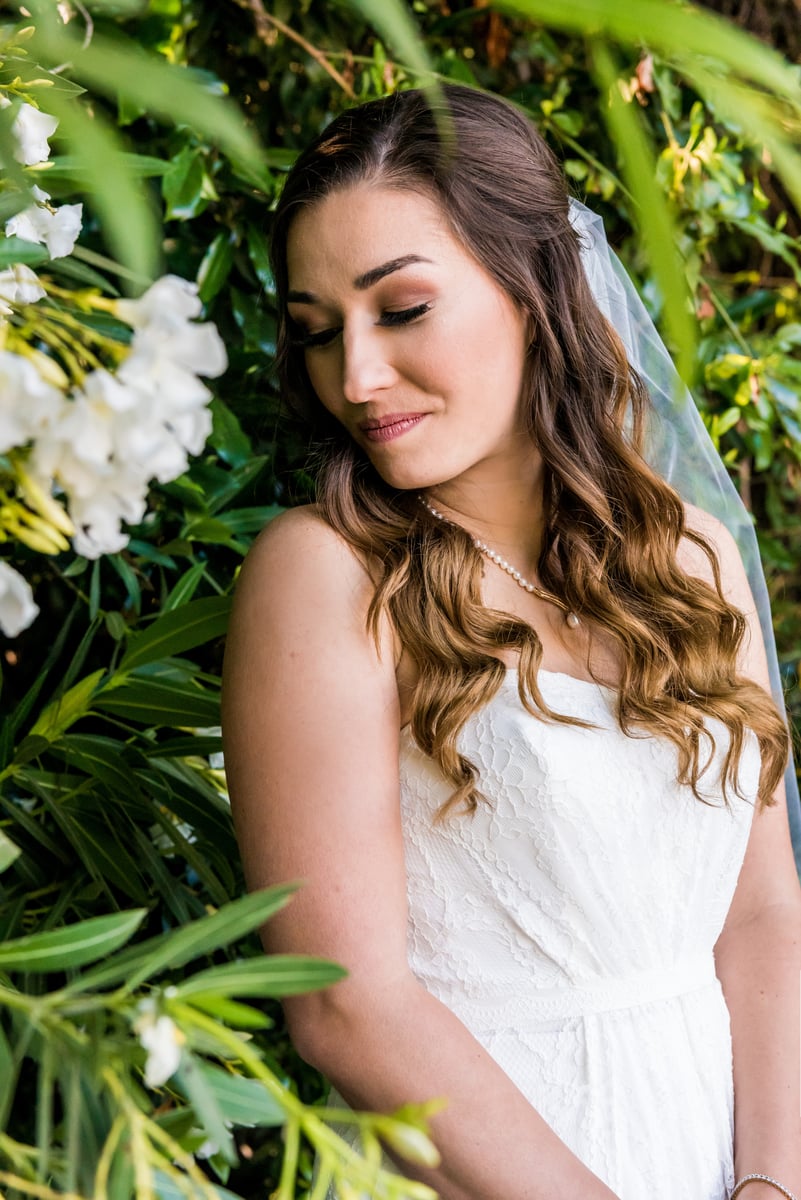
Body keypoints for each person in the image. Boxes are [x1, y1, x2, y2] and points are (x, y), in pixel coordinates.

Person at [221, 84, 801, 1200]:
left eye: (401, 309)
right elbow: (347, 1004)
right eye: (317, 331)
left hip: (719, 1146)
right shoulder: (327, 576)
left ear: (532, 289)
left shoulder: (692, 560)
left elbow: (762, 911)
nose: (356, 377)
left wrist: (771, 1180)